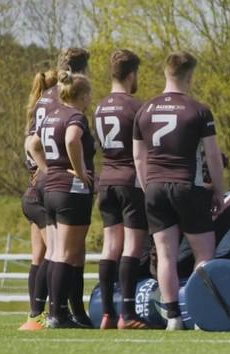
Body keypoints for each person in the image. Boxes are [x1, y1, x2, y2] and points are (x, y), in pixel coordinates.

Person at [133, 51, 225, 330]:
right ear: (190, 76)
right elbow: (213, 156)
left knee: (165, 255)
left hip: (155, 187)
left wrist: (148, 188)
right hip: (188, 186)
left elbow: (138, 157)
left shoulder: (144, 110)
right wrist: (218, 191)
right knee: (204, 254)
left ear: (165, 73)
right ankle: (199, 315)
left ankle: (173, 317)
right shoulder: (198, 110)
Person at [25, 47, 91, 326]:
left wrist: (45, 169)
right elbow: (72, 138)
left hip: (43, 183)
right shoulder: (68, 104)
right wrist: (78, 171)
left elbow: (31, 142)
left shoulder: (44, 98)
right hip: (66, 184)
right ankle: (61, 312)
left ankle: (39, 314)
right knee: (67, 253)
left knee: (47, 253)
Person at [94, 49, 148, 330]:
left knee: (109, 246)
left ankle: (107, 313)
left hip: (106, 180)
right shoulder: (137, 107)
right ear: (131, 75)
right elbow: (145, 149)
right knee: (132, 246)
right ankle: (127, 313)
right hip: (130, 181)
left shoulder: (99, 107)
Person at [18, 69, 58, 331]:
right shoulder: (51, 117)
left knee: (38, 256)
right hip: (42, 192)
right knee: (54, 252)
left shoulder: (33, 118)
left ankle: (34, 313)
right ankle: (43, 311)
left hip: (30, 192)